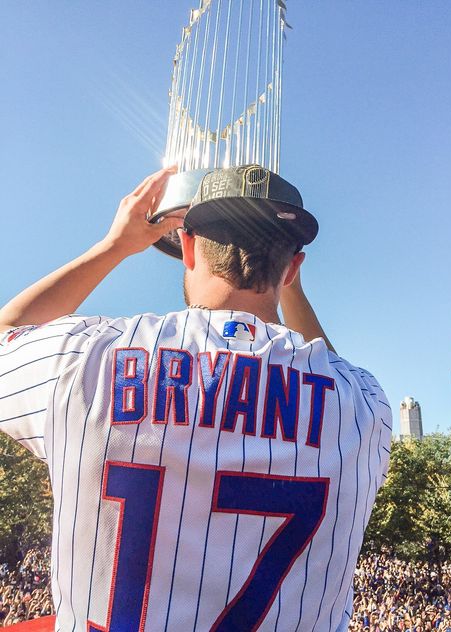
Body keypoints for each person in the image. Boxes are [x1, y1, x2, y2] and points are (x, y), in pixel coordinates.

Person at [0, 166, 392, 631]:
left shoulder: (87, 357)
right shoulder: (364, 408)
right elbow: (328, 367)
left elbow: (8, 332)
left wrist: (114, 247)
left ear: (186, 246)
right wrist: (292, 291)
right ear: (291, 268)